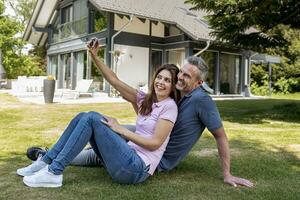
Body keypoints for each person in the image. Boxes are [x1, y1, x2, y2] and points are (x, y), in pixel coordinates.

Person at [60, 56, 254, 187]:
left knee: (104, 135)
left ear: (199, 83)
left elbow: (220, 136)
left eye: (187, 75)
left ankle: (52, 160)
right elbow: (118, 83)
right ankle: (50, 155)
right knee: (103, 133)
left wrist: (227, 174)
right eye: (181, 72)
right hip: (148, 139)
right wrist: (95, 57)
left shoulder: (201, 101)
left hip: (154, 156)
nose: (180, 77)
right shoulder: (176, 94)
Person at [16, 38, 179, 187]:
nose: (161, 82)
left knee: (92, 118)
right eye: (160, 77)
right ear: (154, 78)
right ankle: (46, 161)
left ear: (173, 86)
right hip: (125, 156)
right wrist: (94, 56)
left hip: (137, 168)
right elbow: (114, 80)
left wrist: (120, 129)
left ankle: (54, 172)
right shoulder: (145, 99)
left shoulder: (169, 107)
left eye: (167, 80)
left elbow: (156, 143)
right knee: (83, 116)